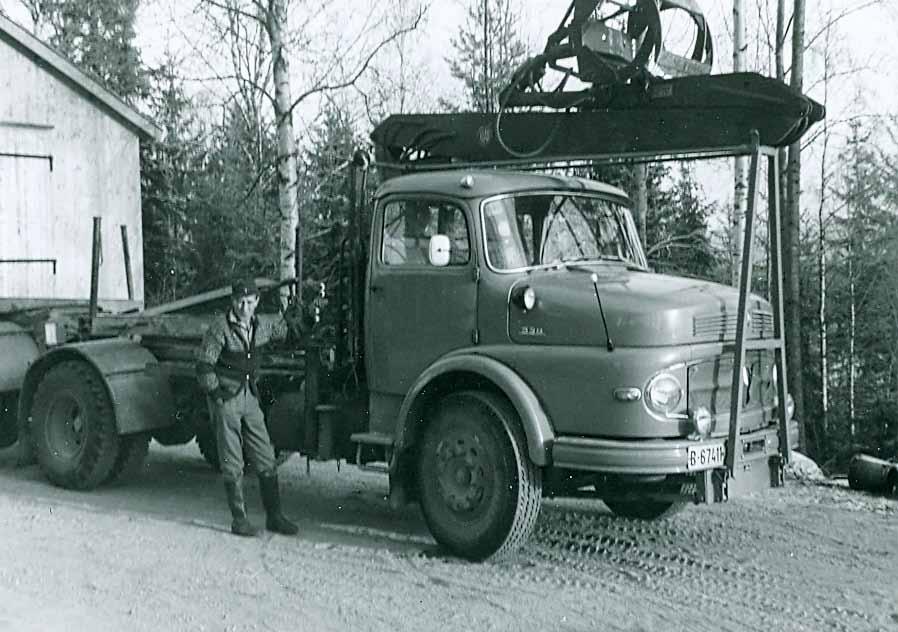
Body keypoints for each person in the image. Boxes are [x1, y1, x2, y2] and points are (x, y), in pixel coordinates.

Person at [195, 276, 299, 537]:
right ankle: (239, 520)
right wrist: (217, 395)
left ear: (257, 302)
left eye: (250, 301)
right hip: (227, 397)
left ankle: (275, 517)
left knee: (265, 454)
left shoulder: (260, 326)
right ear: (233, 301)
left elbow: (286, 333)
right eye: (240, 301)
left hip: (249, 397)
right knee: (232, 460)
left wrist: (299, 320)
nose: (245, 307)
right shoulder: (220, 328)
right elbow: (204, 365)